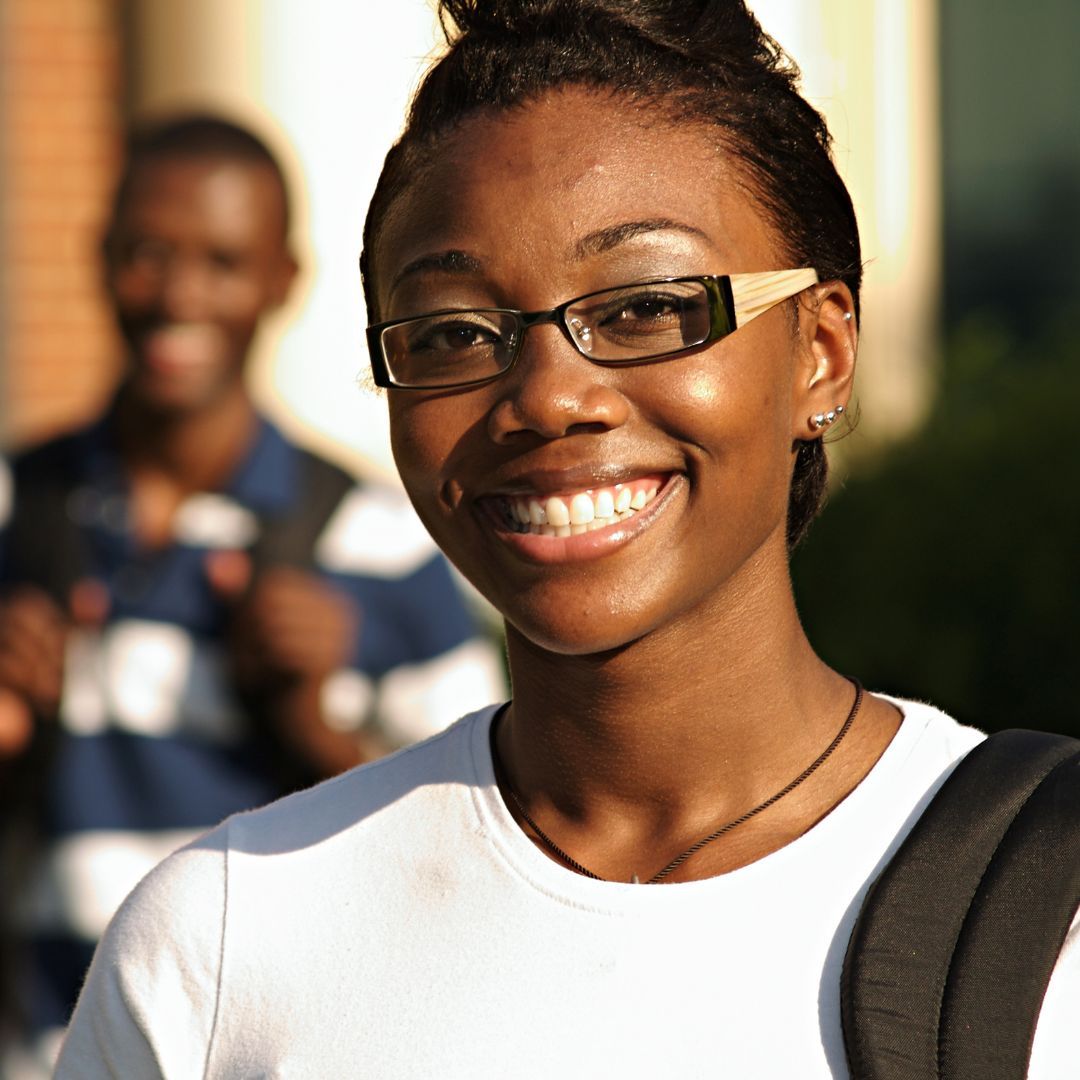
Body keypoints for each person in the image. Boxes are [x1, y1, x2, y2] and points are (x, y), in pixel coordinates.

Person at [56, 3, 1078, 1077]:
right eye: (454, 332)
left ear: (820, 351)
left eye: (644, 308)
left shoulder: (1039, 913)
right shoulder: (221, 948)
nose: (549, 398)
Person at [0, 114, 504, 1075]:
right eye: (148, 254)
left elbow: (483, 856)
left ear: (283, 280)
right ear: (98, 258)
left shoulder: (383, 539)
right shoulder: (14, 509)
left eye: (223, 262)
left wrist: (316, 732)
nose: (180, 295)